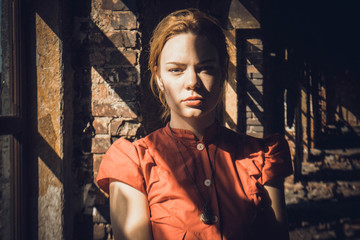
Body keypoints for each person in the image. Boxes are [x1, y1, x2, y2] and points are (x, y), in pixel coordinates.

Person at [96, 8, 293, 240]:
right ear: (159, 78)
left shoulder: (261, 157)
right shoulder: (132, 162)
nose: (192, 82)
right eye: (176, 70)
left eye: (205, 68)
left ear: (222, 75)